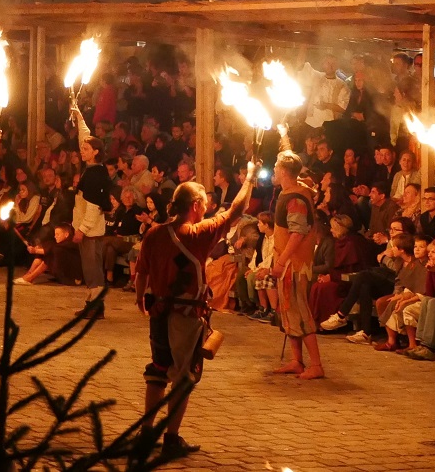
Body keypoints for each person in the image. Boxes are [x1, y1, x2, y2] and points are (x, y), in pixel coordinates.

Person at [133, 169, 255, 460]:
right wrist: (249, 178)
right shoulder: (198, 233)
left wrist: (140, 298)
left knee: (158, 370)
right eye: (204, 203)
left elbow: (142, 272)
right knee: (184, 376)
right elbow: (238, 209)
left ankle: (146, 433)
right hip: (185, 316)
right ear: (197, 205)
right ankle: (171, 438)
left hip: (158, 311)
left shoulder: (154, 233)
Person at [269, 152, 325, 380]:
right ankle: (297, 361)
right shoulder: (292, 191)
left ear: (283, 171)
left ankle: (317, 365)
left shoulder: (296, 198)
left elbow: (298, 233)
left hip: (294, 264)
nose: (273, 172)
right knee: (289, 312)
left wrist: (282, 261)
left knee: (300, 312)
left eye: (275, 168)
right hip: (288, 263)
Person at [71, 105, 113, 320]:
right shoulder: (93, 169)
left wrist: (82, 229)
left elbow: (94, 206)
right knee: (91, 268)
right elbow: (85, 137)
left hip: (90, 229)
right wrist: (80, 118)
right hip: (89, 228)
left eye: (87, 149)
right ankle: (92, 303)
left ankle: (96, 306)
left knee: (92, 269)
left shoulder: (95, 175)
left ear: (96, 152)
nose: (82, 150)